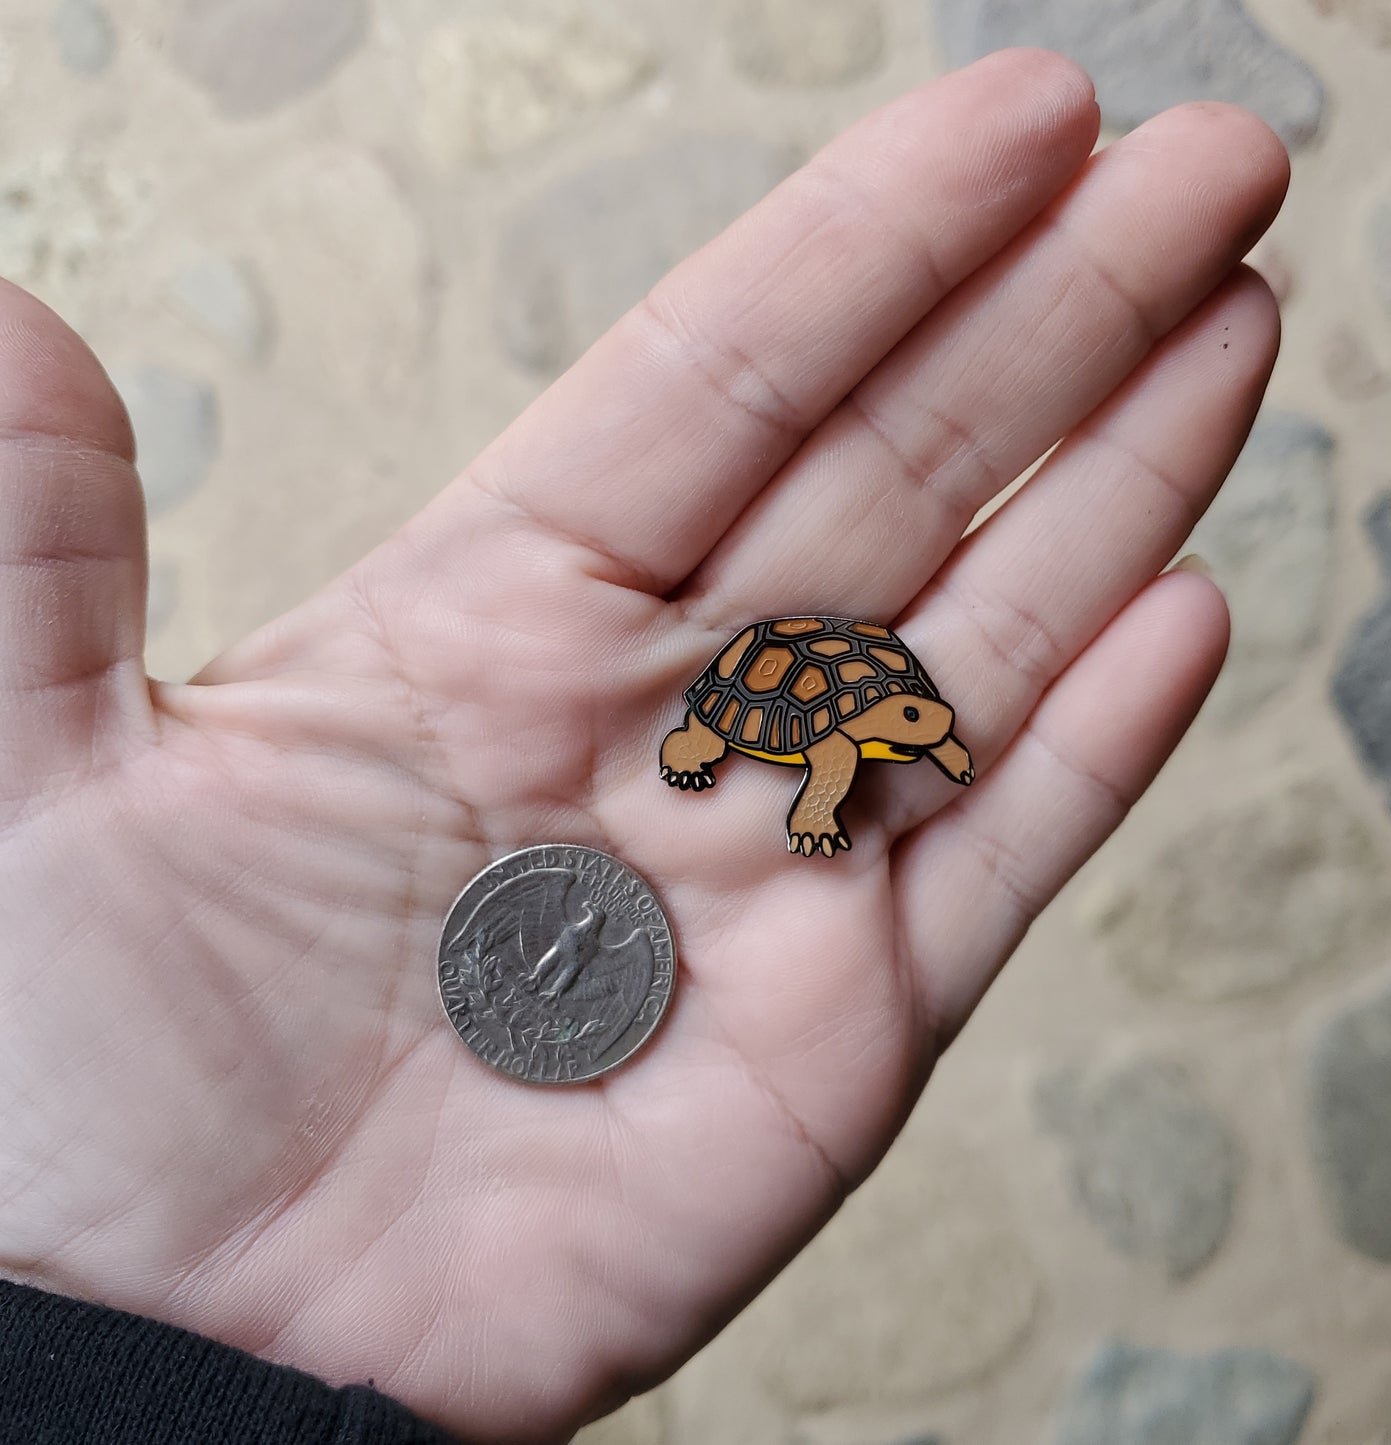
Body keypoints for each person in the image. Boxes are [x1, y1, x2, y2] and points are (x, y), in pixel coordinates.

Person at [0, 47, 1287, 1445]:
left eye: (917, 728)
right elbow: (831, 750)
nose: (925, 737)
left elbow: (875, 745)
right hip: (754, 699)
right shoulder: (822, 721)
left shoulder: (881, 721)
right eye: (920, 727)